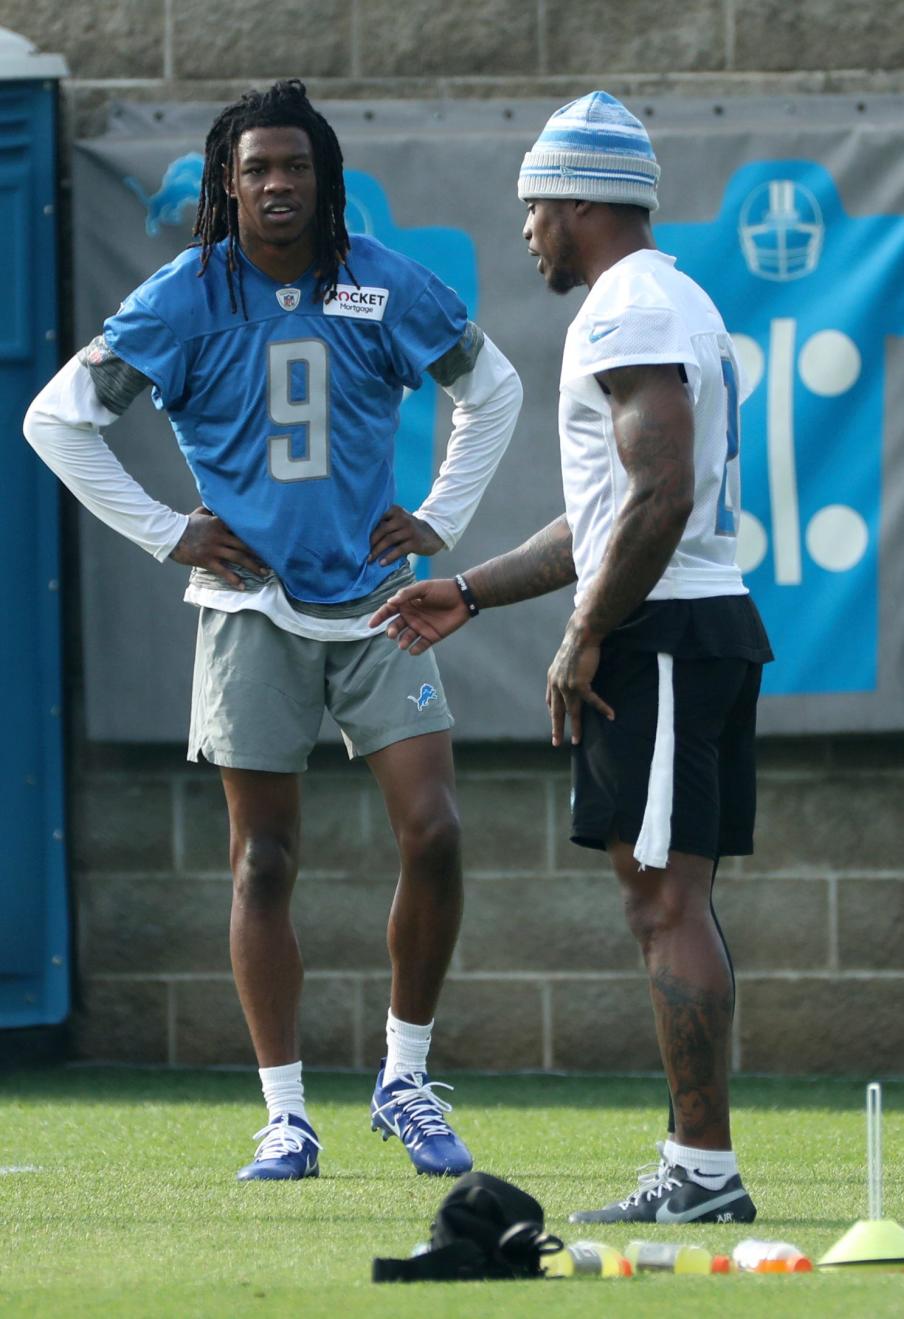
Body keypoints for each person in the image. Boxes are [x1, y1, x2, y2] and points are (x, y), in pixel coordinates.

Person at [24, 79, 522, 1182]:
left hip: (379, 602)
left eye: (294, 165)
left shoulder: (380, 281)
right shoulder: (184, 295)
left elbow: (493, 386)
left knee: (434, 828)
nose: (277, 184)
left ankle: (402, 1078)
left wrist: (440, 517)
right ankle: (286, 1114)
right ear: (226, 182)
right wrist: (167, 530)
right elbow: (54, 416)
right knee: (265, 860)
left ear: (324, 176)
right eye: (256, 168)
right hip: (251, 611)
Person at [370, 91, 773, 1225]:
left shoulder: (626, 307)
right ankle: (702, 1167)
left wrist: (589, 631)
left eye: (535, 209)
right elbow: (606, 517)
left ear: (582, 200)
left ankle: (701, 1171)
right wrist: (472, 589)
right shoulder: (667, 296)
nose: (527, 233)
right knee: (674, 896)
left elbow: (659, 490)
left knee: (661, 902)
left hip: (662, 635)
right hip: (697, 621)